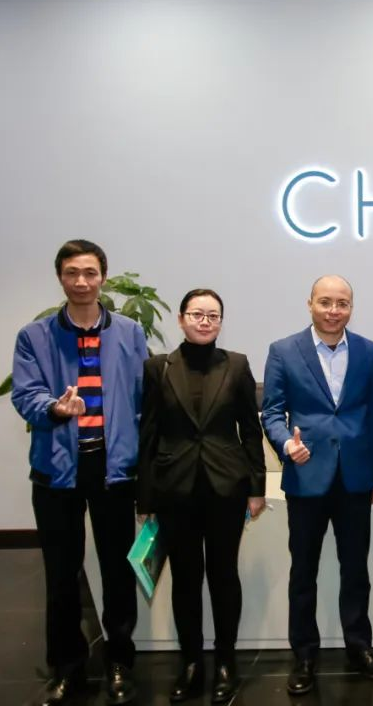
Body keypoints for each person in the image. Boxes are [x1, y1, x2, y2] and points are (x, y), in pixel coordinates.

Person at [11, 240, 146, 706]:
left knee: (117, 571)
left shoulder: (129, 332)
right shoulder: (35, 336)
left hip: (114, 469)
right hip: (57, 471)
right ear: (61, 278)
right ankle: (68, 669)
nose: (82, 281)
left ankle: (119, 664)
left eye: (90, 272)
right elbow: (25, 394)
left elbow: (143, 397)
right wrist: (54, 408)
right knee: (61, 574)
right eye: (72, 273)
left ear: (103, 276)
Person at [261, 275, 373, 695]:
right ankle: (304, 656)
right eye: (325, 302)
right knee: (304, 572)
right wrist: (286, 444)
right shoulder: (283, 350)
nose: (334, 311)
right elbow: (272, 412)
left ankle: (360, 648)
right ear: (310, 304)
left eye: (342, 303)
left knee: (356, 570)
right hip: (306, 477)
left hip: (355, 478)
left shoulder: (370, 351)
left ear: (351, 307)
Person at [136, 289, 266, 703]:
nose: (205, 321)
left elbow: (250, 430)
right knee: (185, 579)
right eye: (197, 314)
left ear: (221, 322)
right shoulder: (158, 367)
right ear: (181, 319)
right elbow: (148, 433)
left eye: (213, 315)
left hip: (226, 487)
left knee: (224, 575)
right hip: (174, 489)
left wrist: (257, 488)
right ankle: (191, 663)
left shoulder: (237, 364)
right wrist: (145, 497)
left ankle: (226, 661)